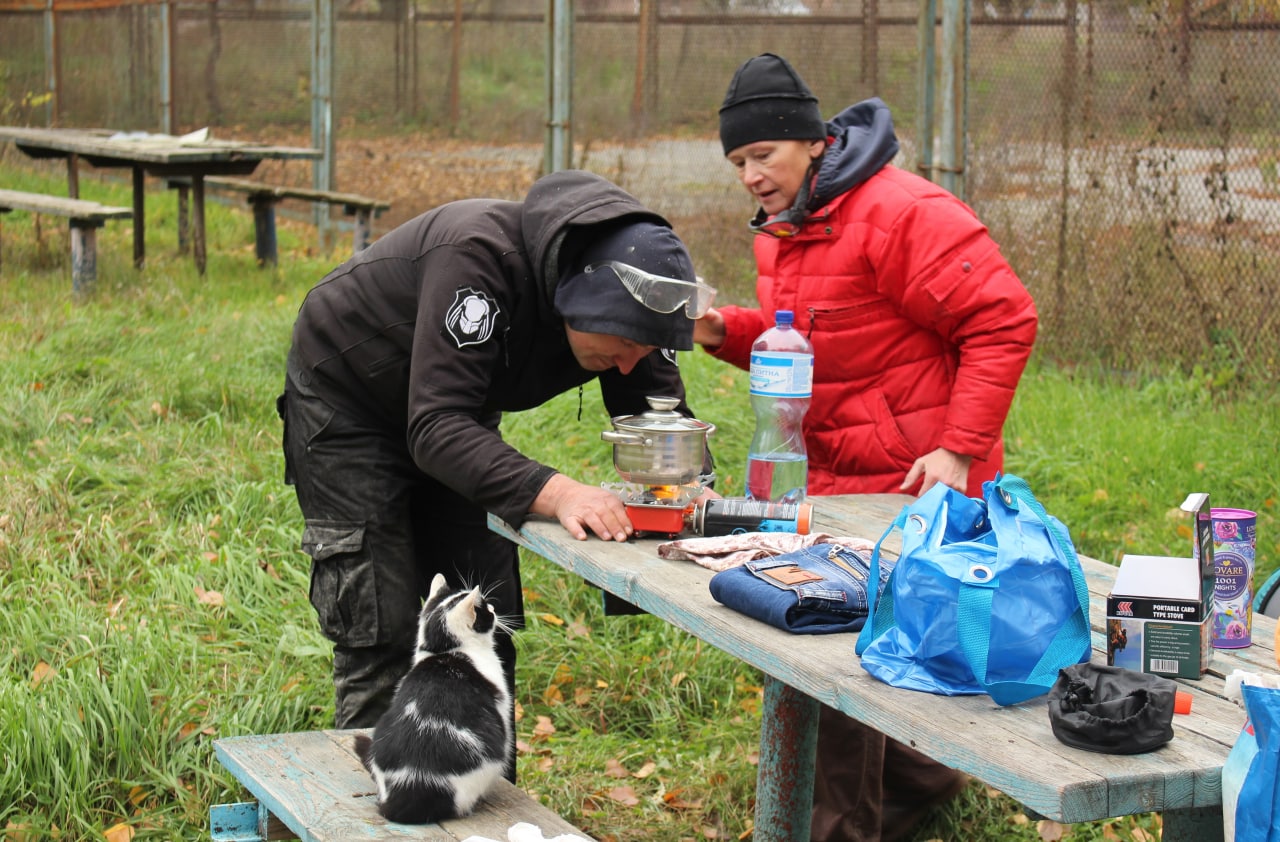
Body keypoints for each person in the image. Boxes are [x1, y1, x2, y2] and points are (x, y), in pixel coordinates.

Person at [697, 54, 1039, 841]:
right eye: (737, 162)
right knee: (848, 643)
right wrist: (725, 331)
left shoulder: (901, 212)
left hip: (920, 476)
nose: (749, 175)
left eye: (762, 155)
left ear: (812, 141)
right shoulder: (786, 230)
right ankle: (923, 779)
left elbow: (1003, 320)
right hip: (842, 476)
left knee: (834, 655)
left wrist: (959, 450)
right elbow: (807, 343)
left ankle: (836, 831)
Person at [278, 169, 717, 738]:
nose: (634, 362)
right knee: (381, 630)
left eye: (648, 348)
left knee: (479, 624)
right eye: (625, 347)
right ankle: (373, 804)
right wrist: (558, 492)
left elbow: (658, 411)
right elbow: (435, 425)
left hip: (453, 410)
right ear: (577, 302)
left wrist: (697, 490)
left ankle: (491, 811)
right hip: (350, 404)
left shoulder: (637, 306)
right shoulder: (477, 259)